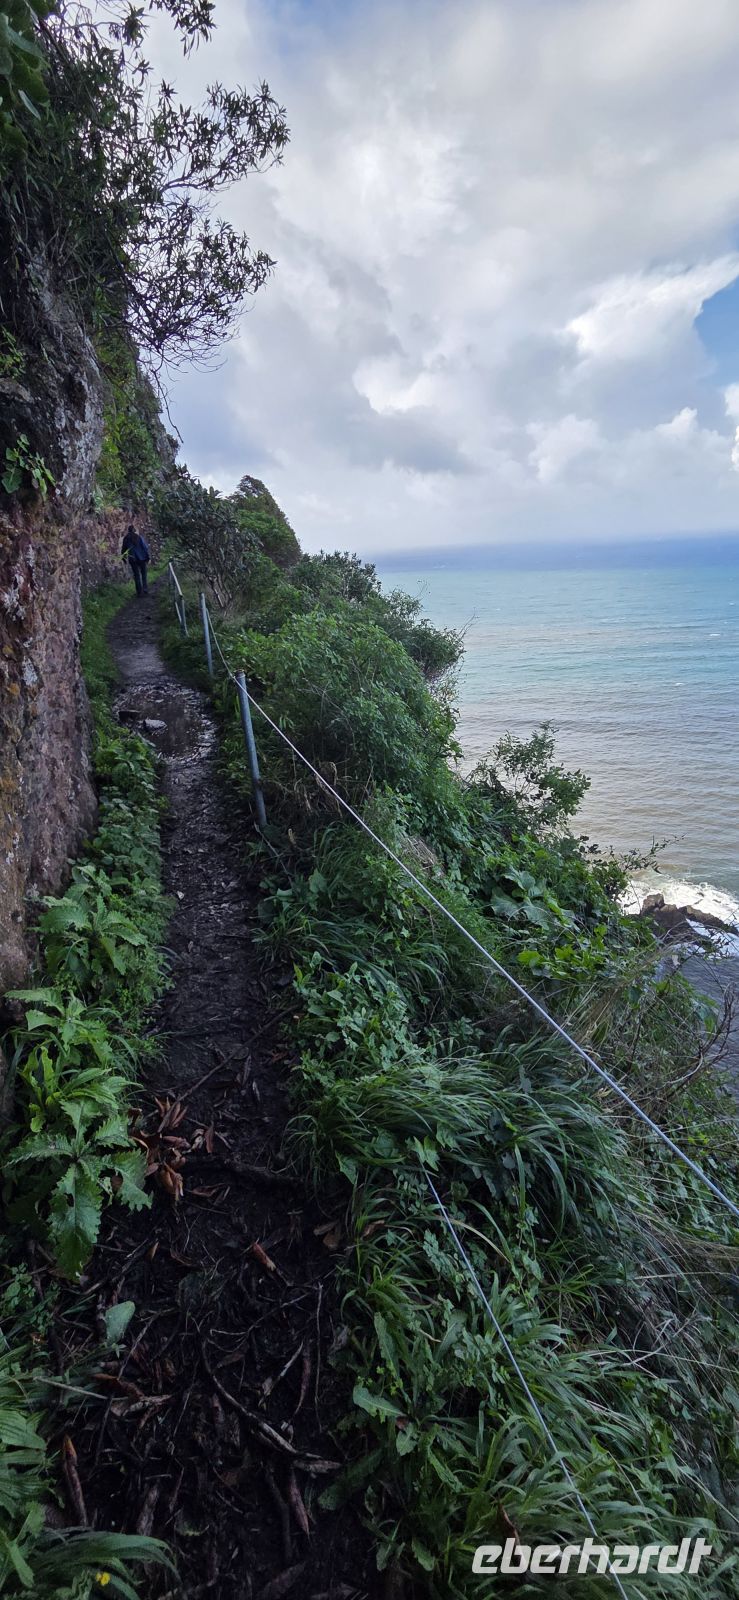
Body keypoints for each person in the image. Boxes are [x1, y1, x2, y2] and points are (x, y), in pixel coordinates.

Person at [121, 525, 151, 596]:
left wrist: (124, 557)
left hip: (132, 559)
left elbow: (123, 549)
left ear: (128, 530)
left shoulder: (126, 538)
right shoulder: (139, 537)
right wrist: (148, 557)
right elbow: (144, 547)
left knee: (136, 575)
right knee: (143, 574)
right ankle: (145, 589)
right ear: (134, 530)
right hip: (142, 558)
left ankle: (139, 591)